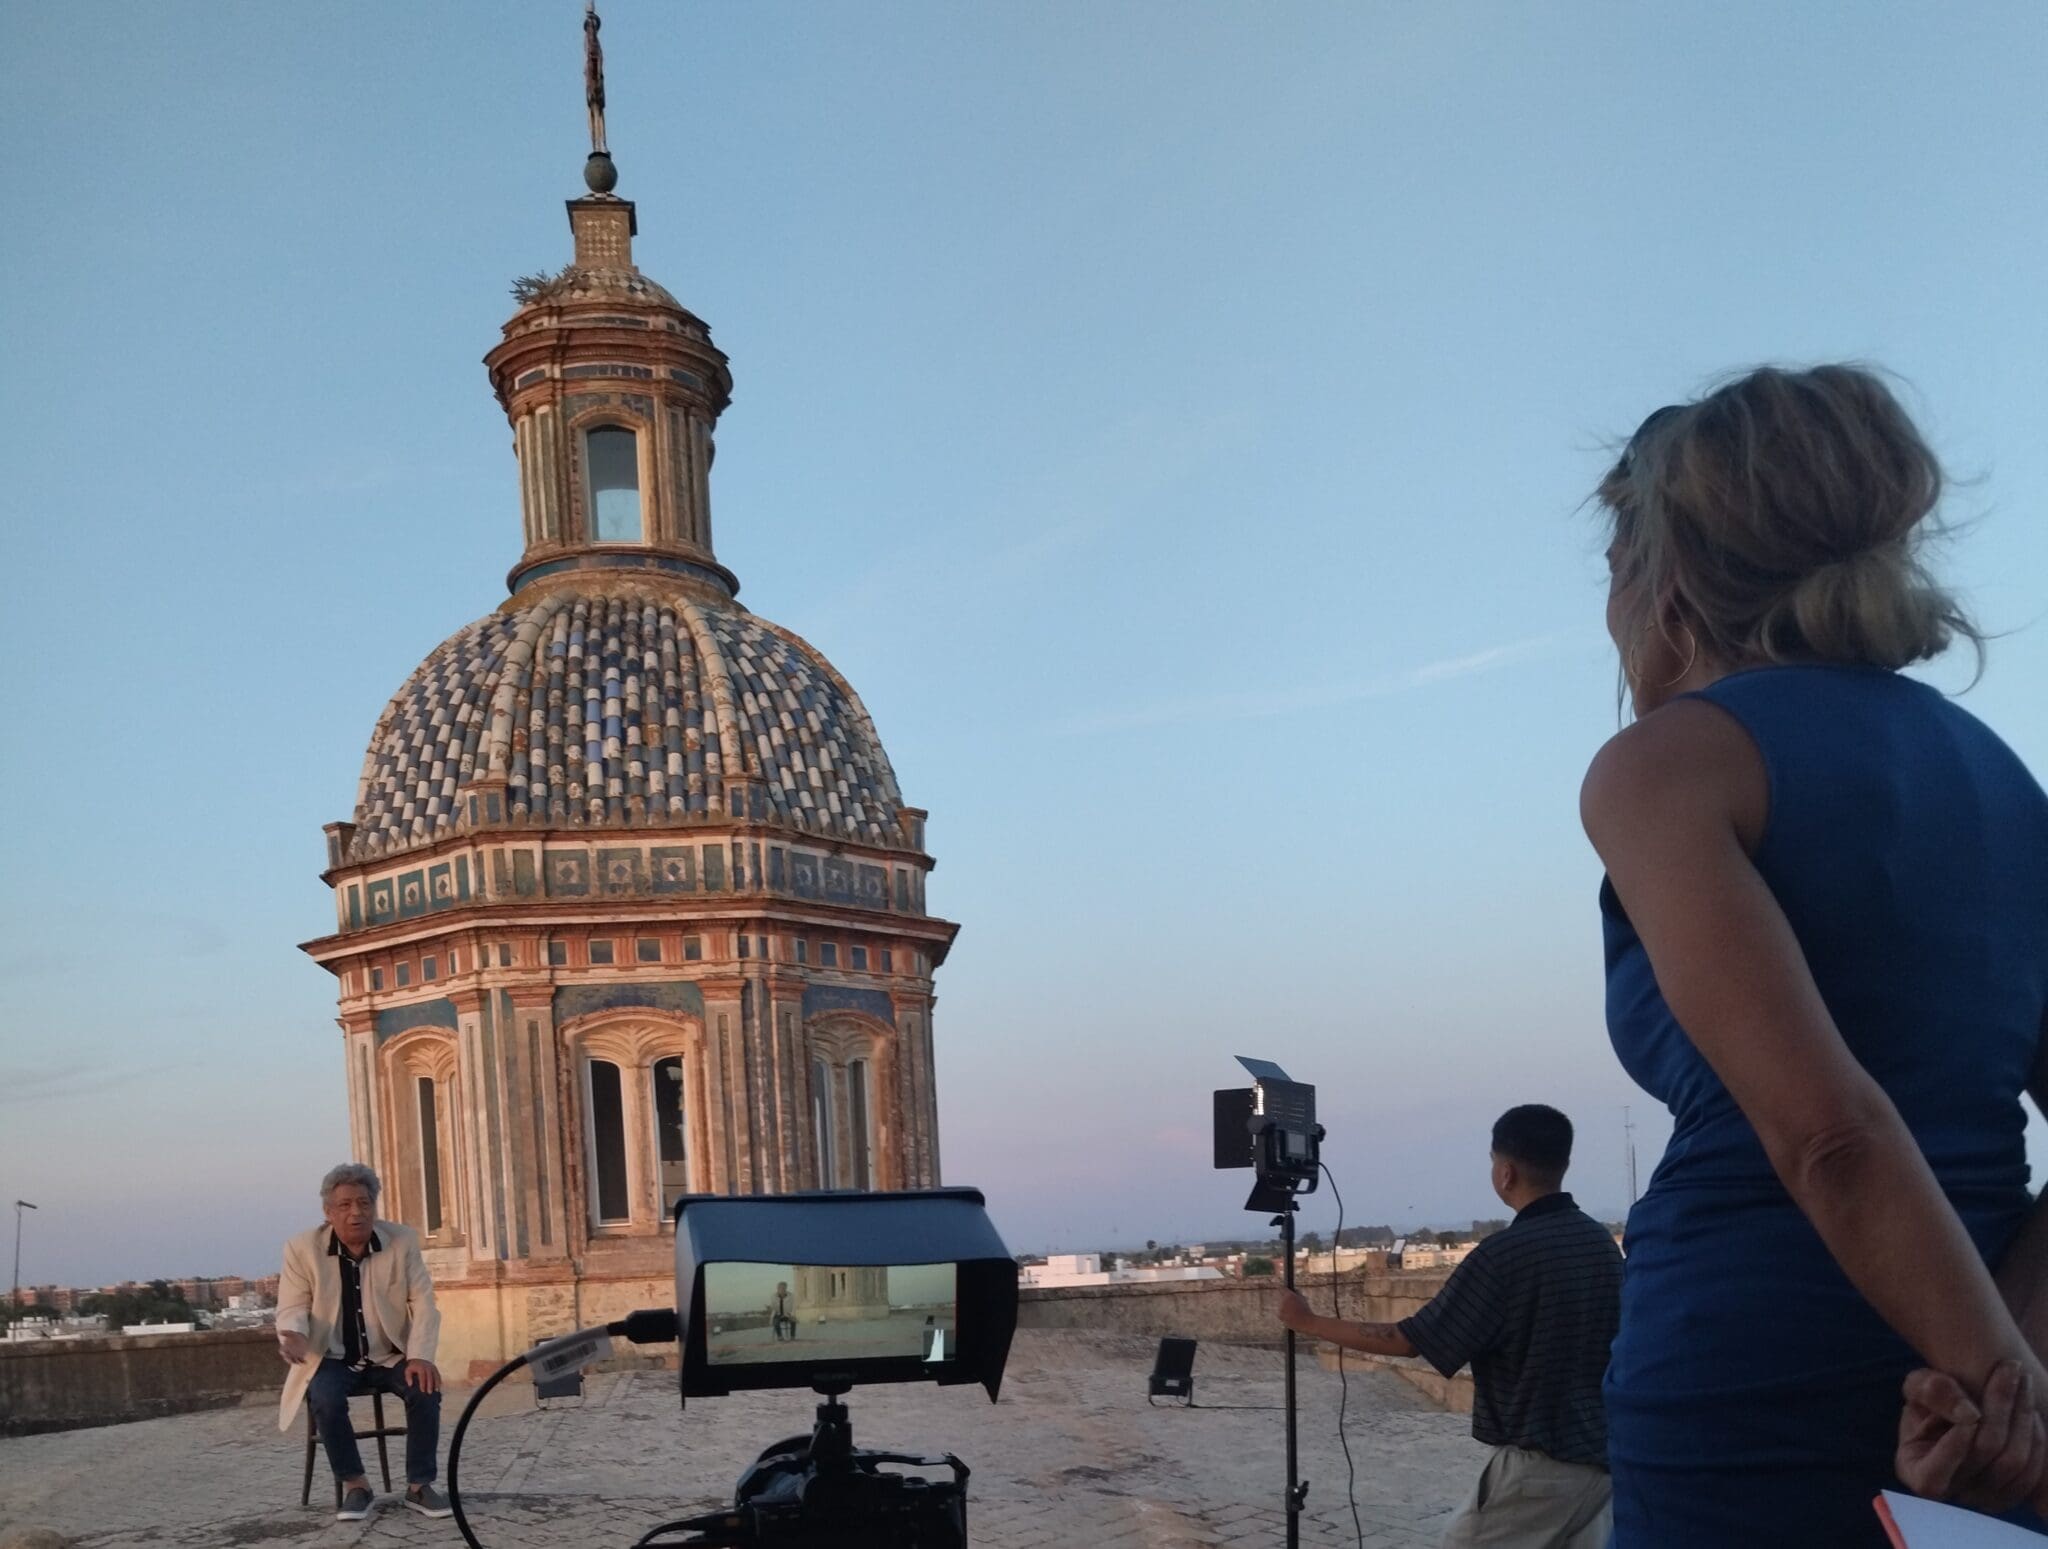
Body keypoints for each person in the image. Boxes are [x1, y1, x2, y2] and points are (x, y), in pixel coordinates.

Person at [1584, 364, 2048, 1544]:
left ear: (1665, 576)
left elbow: (1827, 1132)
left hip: (1748, 1376)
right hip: (1981, 1372)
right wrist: (2008, 1385)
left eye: (1613, 568)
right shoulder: (2000, 777)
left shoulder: (1666, 766)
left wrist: (1993, 1391)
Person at [1278, 1105, 1621, 1548]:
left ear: (1506, 1173)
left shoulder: (1504, 1256)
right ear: (1564, 1163)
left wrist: (1307, 1321)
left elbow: (1407, 1340)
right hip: (1601, 1462)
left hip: (1539, 1471)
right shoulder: (1598, 1241)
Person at [276, 1163, 453, 1521]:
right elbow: (293, 1306)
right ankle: (356, 1486)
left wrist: (420, 1356)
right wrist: (294, 1334)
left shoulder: (401, 1241)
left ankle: (419, 1486)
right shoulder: (302, 1249)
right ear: (328, 1212)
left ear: (374, 1206)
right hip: (333, 1356)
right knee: (324, 1397)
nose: (356, 1212)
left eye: (364, 1203)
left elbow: (423, 1302)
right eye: (344, 1205)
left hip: (388, 1355)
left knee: (425, 1388)